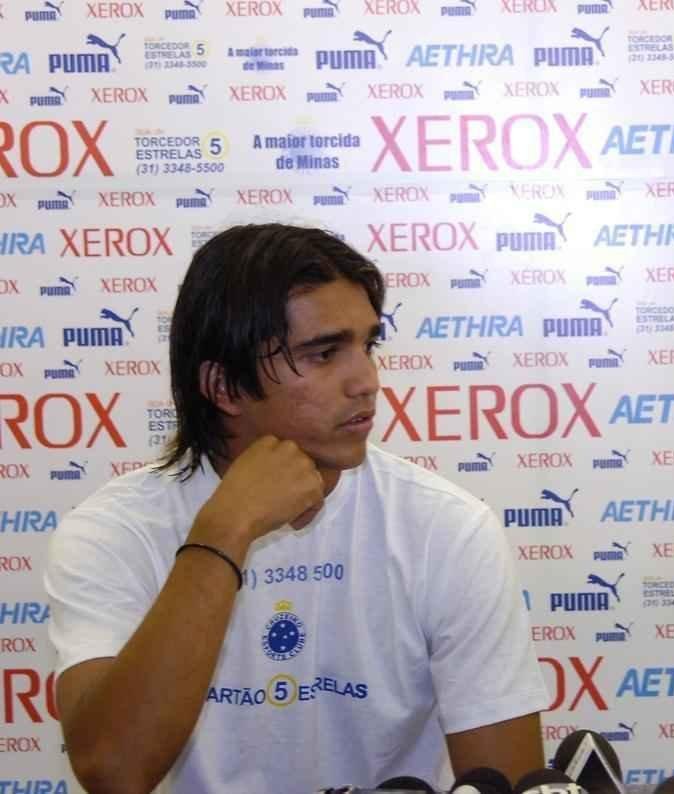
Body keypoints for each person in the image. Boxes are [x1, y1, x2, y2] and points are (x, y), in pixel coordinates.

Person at [45, 224, 549, 793]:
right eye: (325, 353)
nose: (367, 380)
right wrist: (224, 531)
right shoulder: (112, 532)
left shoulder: (448, 528)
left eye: (369, 344)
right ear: (224, 386)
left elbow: (506, 783)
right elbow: (113, 770)